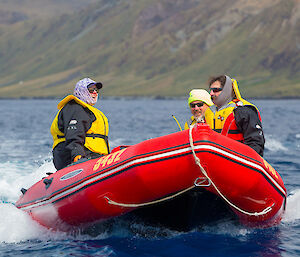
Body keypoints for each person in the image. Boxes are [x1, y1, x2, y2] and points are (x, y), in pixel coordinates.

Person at [50, 77, 110, 170]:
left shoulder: (86, 109)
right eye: (91, 90)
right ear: (82, 91)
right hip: (77, 157)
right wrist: (77, 154)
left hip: (93, 157)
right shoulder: (75, 108)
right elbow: (74, 134)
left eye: (96, 90)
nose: (95, 92)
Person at [204, 75, 265, 156]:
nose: (211, 93)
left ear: (226, 91)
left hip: (237, 159)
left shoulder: (243, 111)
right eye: (210, 90)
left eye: (215, 90)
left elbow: (255, 142)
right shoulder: (208, 112)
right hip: (213, 158)